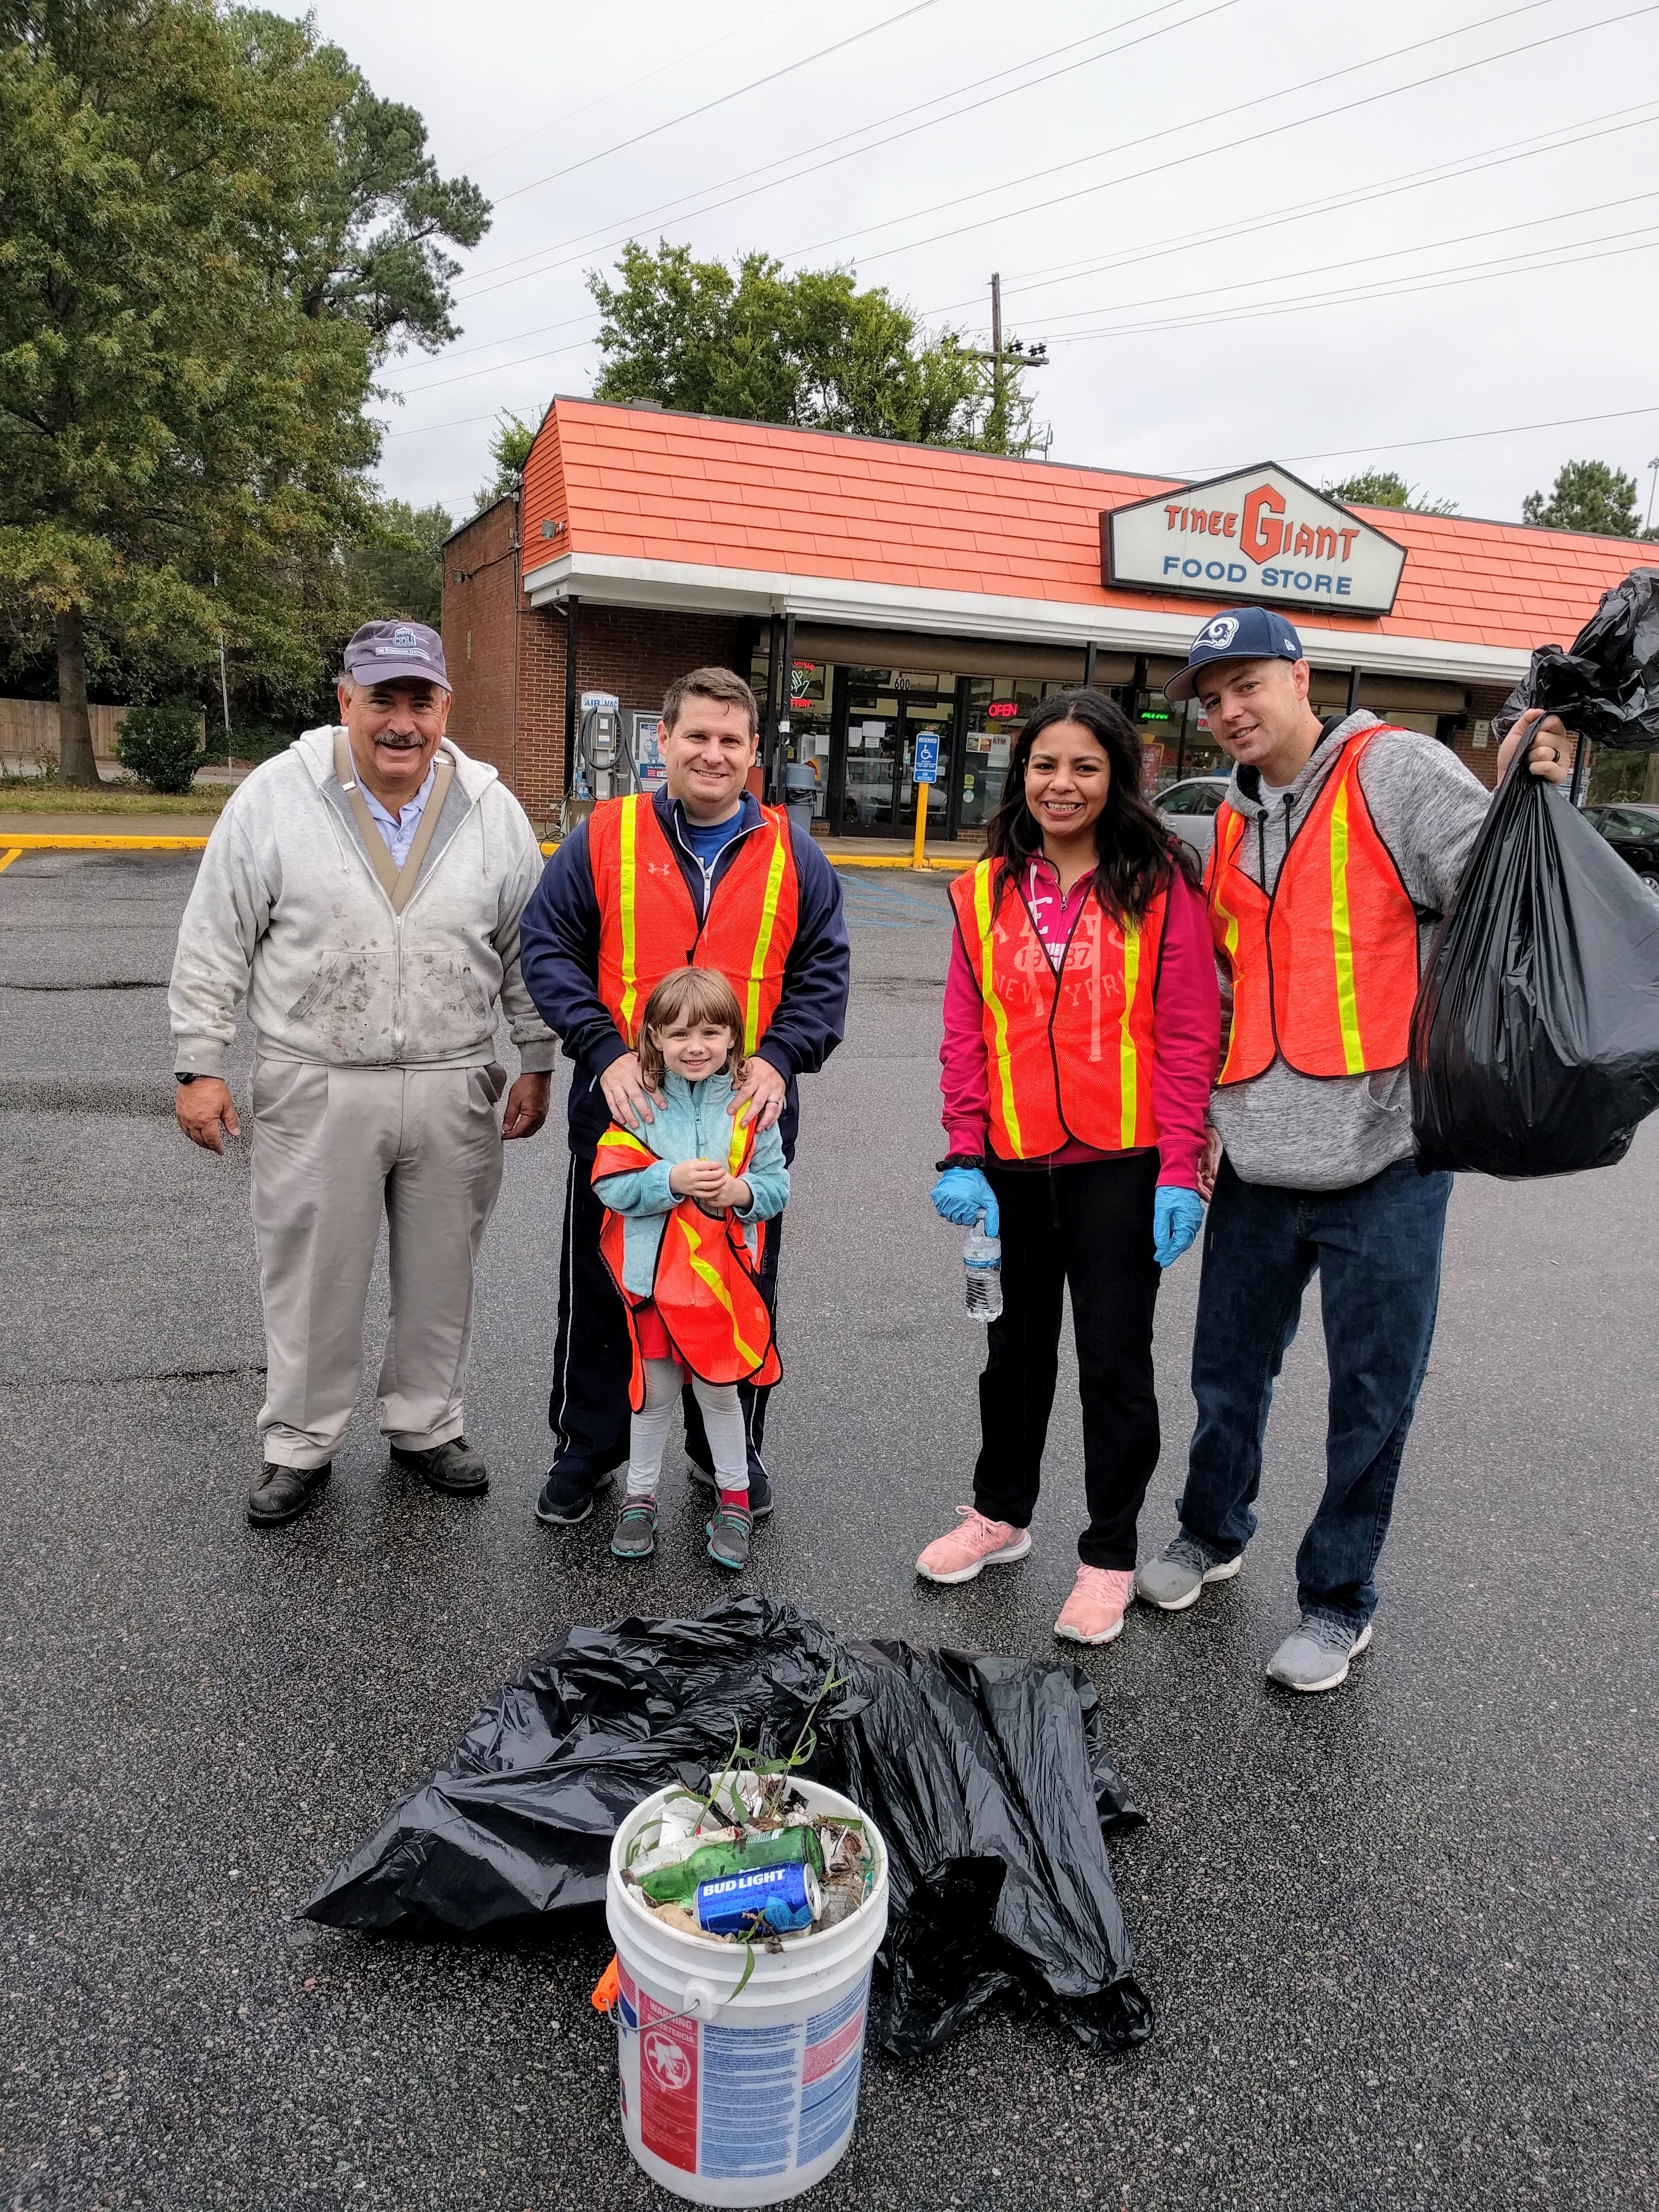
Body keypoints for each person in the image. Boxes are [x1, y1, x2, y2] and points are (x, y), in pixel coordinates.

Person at [1136, 606, 1575, 1690]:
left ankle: (1337, 1603)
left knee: (1370, 1397)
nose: (1229, 711)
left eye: (1247, 685)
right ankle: (1210, 1531)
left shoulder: (1396, 770)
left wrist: (1537, 790)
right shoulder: (1227, 822)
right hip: (1256, 1160)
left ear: (1301, 677)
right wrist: (1199, 1128)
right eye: (1211, 698)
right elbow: (1225, 983)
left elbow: (1506, 892)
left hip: (1386, 1159)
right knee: (1226, 1376)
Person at [167, 619, 556, 1527]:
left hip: (454, 1081)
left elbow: (525, 948)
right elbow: (216, 932)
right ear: (345, 699)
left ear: (445, 707)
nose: (401, 722)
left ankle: (426, 1425)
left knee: (442, 1273)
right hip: (318, 1078)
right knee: (312, 1277)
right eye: (382, 699)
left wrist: (535, 1058)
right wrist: (198, 1063)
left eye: (420, 700)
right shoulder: (278, 795)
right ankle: (300, 1441)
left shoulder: (490, 807)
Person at [917, 689, 1221, 1647]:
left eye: (1084, 766)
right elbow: (965, 1033)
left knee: (1113, 1366)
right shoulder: (982, 891)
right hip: (1010, 1164)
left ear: (1115, 776)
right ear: (1022, 774)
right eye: (1044, 764)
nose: (1062, 784)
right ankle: (999, 1515)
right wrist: (963, 1148)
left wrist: (1180, 1165)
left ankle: (1107, 1555)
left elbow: (1187, 1033)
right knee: (1012, 1356)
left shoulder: (1160, 883)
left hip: (1120, 1165)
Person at [519, 664, 849, 1527]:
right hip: (627, 1114)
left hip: (744, 1121)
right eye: (696, 736)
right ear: (661, 742)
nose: (712, 753)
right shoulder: (604, 837)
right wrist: (600, 1050)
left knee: (738, 1289)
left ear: (753, 751)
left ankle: (724, 1454)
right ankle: (589, 1449)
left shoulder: (797, 856)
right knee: (608, 1286)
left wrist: (781, 1058)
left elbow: (824, 975)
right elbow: (546, 946)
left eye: (730, 740)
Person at [590, 967, 789, 1570]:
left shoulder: (749, 1108)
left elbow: (776, 1186)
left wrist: (740, 1193)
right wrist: (668, 1181)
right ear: (653, 1037)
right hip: (655, 1283)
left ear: (733, 1037)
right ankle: (639, 1499)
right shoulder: (639, 1106)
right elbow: (610, 1184)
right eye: (678, 1034)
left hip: (722, 1287)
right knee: (652, 1394)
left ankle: (735, 1499)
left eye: (709, 1032)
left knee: (719, 1393)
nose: (695, 1046)